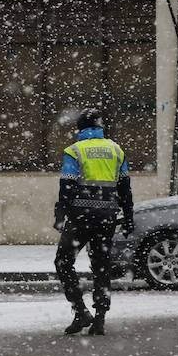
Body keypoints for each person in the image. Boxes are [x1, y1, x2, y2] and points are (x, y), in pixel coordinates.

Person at [54, 108, 134, 337]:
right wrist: (128, 218)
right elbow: (125, 188)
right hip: (107, 218)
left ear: (80, 129)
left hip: (80, 218)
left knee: (63, 261)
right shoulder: (116, 150)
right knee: (101, 266)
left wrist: (60, 216)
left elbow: (67, 186)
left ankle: (80, 311)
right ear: (100, 128)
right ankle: (100, 318)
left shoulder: (74, 150)